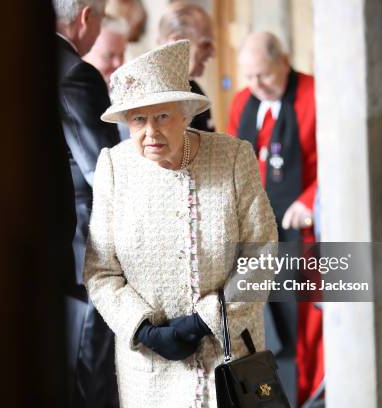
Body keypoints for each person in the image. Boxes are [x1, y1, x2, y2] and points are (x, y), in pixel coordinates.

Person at [84, 40, 278, 407]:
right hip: (149, 370)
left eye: (162, 117)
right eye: (138, 119)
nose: (150, 133)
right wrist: (143, 328)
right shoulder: (113, 167)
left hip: (229, 357)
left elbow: (262, 254)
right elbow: (100, 271)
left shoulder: (233, 157)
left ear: (185, 114)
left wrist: (205, 320)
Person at [227, 31, 323, 406]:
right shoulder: (242, 103)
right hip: (255, 236)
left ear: (284, 61)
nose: (256, 86)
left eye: (263, 75)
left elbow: (337, 159)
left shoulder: (316, 95)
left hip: (303, 233)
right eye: (248, 77)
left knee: (300, 325)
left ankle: (305, 397)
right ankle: (267, 398)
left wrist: (311, 199)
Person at [53, 0, 121, 407]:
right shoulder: (75, 72)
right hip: (84, 245)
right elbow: (103, 170)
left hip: (53, 247)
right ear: (86, 16)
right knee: (90, 375)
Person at [158, 2, 216, 132]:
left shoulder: (195, 91)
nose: (213, 53)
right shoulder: (148, 98)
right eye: (205, 44)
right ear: (177, 42)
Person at [84, 16, 131, 140]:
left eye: (122, 54)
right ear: (86, 53)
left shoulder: (131, 90)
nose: (118, 63)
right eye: (109, 56)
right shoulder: (79, 98)